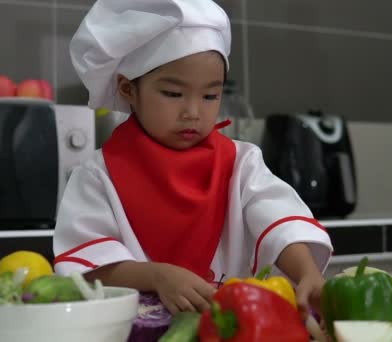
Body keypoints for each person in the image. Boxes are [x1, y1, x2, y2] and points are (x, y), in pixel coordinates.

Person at [53, 0, 333, 319]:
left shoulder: (241, 163)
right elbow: (88, 265)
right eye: (173, 94)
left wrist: (306, 271)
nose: (193, 112)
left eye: (210, 95)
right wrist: (158, 276)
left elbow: (277, 218)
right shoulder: (98, 175)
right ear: (128, 88)